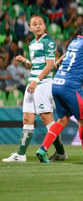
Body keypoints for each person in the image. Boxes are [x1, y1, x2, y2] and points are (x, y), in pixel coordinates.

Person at [2, 15, 66, 163]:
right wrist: (25, 61)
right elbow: (37, 65)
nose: (37, 26)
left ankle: (61, 152)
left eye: (40, 24)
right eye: (34, 24)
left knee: (46, 119)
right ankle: (21, 154)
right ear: (30, 28)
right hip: (33, 83)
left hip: (42, 84)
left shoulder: (48, 42)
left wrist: (37, 80)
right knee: (27, 118)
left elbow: (50, 65)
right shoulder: (31, 43)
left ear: (44, 26)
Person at [35, 18, 83, 164]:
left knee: (62, 120)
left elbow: (68, 55)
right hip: (71, 86)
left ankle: (43, 149)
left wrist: (59, 60)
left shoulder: (75, 41)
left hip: (57, 83)